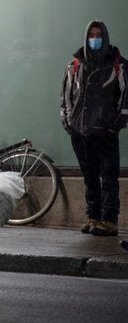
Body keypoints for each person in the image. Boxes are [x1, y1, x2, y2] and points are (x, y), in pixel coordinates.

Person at [60, 20, 128, 237]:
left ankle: (109, 221)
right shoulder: (74, 65)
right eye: (92, 35)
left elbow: (125, 100)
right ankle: (93, 216)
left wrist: (115, 125)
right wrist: (68, 123)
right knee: (89, 177)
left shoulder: (118, 66)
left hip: (105, 131)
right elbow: (66, 97)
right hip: (80, 131)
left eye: (99, 35)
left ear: (105, 37)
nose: (95, 39)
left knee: (108, 176)